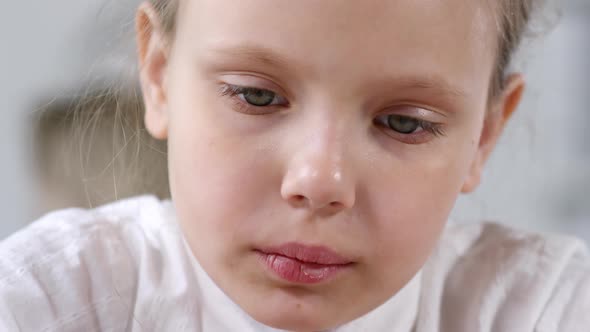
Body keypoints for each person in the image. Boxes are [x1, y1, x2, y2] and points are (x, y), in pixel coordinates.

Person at [1, 0, 588, 331]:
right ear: (158, 73)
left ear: (484, 135)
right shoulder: (53, 297)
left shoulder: (546, 308)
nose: (319, 182)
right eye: (257, 96)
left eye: (405, 123)